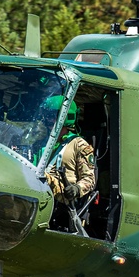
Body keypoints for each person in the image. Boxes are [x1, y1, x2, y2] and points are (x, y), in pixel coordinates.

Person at [44, 95, 96, 233]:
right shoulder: (43, 142)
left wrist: (76, 189)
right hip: (42, 197)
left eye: (52, 116)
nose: (48, 121)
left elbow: (89, 179)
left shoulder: (79, 144)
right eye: (47, 116)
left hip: (62, 203)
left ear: (66, 117)